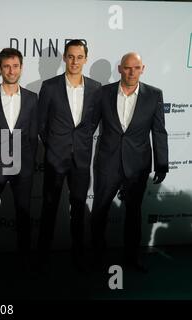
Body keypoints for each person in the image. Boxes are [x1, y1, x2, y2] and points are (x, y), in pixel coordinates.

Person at [90, 52, 168, 272]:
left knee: (134, 213)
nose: (131, 72)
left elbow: (159, 131)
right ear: (119, 69)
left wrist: (162, 163)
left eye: (136, 68)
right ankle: (97, 256)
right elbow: (89, 127)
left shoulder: (154, 95)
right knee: (99, 211)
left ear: (143, 69)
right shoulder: (103, 93)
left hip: (138, 164)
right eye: (127, 68)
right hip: (107, 162)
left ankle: (132, 258)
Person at [37, 40, 101, 271]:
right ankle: (42, 257)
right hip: (55, 158)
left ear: (85, 59)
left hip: (81, 160)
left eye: (79, 57)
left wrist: (78, 143)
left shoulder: (96, 88)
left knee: (78, 207)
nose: (75, 61)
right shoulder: (49, 86)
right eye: (71, 56)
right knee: (49, 208)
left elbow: (92, 123)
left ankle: (78, 256)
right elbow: (41, 124)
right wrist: (55, 145)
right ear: (64, 58)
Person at [0, 48, 38, 267]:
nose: (11, 71)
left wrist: (29, 164)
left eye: (15, 66)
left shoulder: (32, 98)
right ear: (0, 69)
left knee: (23, 214)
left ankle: (24, 260)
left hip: (23, 168)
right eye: (7, 66)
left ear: (21, 68)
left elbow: (32, 135)